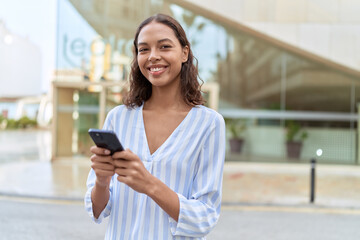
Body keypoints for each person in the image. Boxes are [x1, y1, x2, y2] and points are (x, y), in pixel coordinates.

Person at [84, 13, 226, 240]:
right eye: (143, 49)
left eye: (164, 47)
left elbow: (205, 217)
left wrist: (149, 184)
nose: (153, 57)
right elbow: (98, 211)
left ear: (184, 53)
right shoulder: (118, 118)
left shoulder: (209, 124)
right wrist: (102, 181)